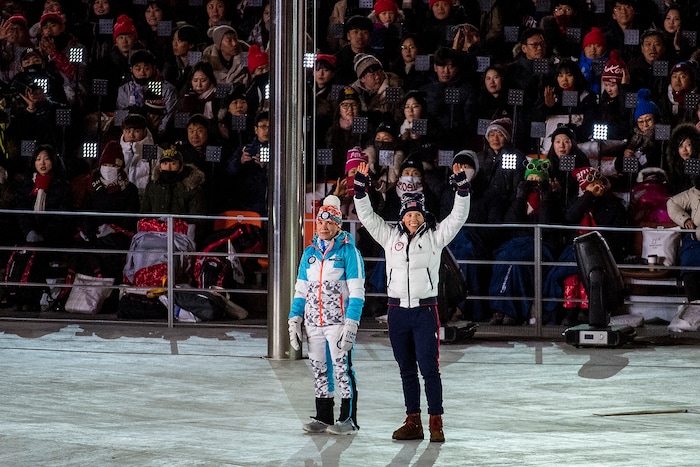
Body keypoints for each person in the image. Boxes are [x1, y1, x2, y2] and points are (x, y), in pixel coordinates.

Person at [353, 158, 471, 443]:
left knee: (429, 369)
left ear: (423, 216)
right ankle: (412, 420)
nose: (413, 218)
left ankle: (436, 422)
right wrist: (360, 192)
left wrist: (462, 192)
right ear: (402, 216)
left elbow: (457, 218)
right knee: (406, 369)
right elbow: (368, 218)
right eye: (409, 214)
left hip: (425, 310)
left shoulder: (435, 238)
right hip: (397, 312)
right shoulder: (389, 236)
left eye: (418, 214)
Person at [288, 194, 365, 435]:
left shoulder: (349, 252)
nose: (322, 226)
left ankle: (348, 418)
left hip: (338, 323)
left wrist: (351, 323)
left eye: (328, 222)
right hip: (314, 324)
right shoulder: (309, 254)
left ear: (337, 225)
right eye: (320, 222)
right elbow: (301, 289)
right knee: (319, 368)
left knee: (342, 369)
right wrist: (295, 318)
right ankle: (324, 416)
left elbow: (357, 291)